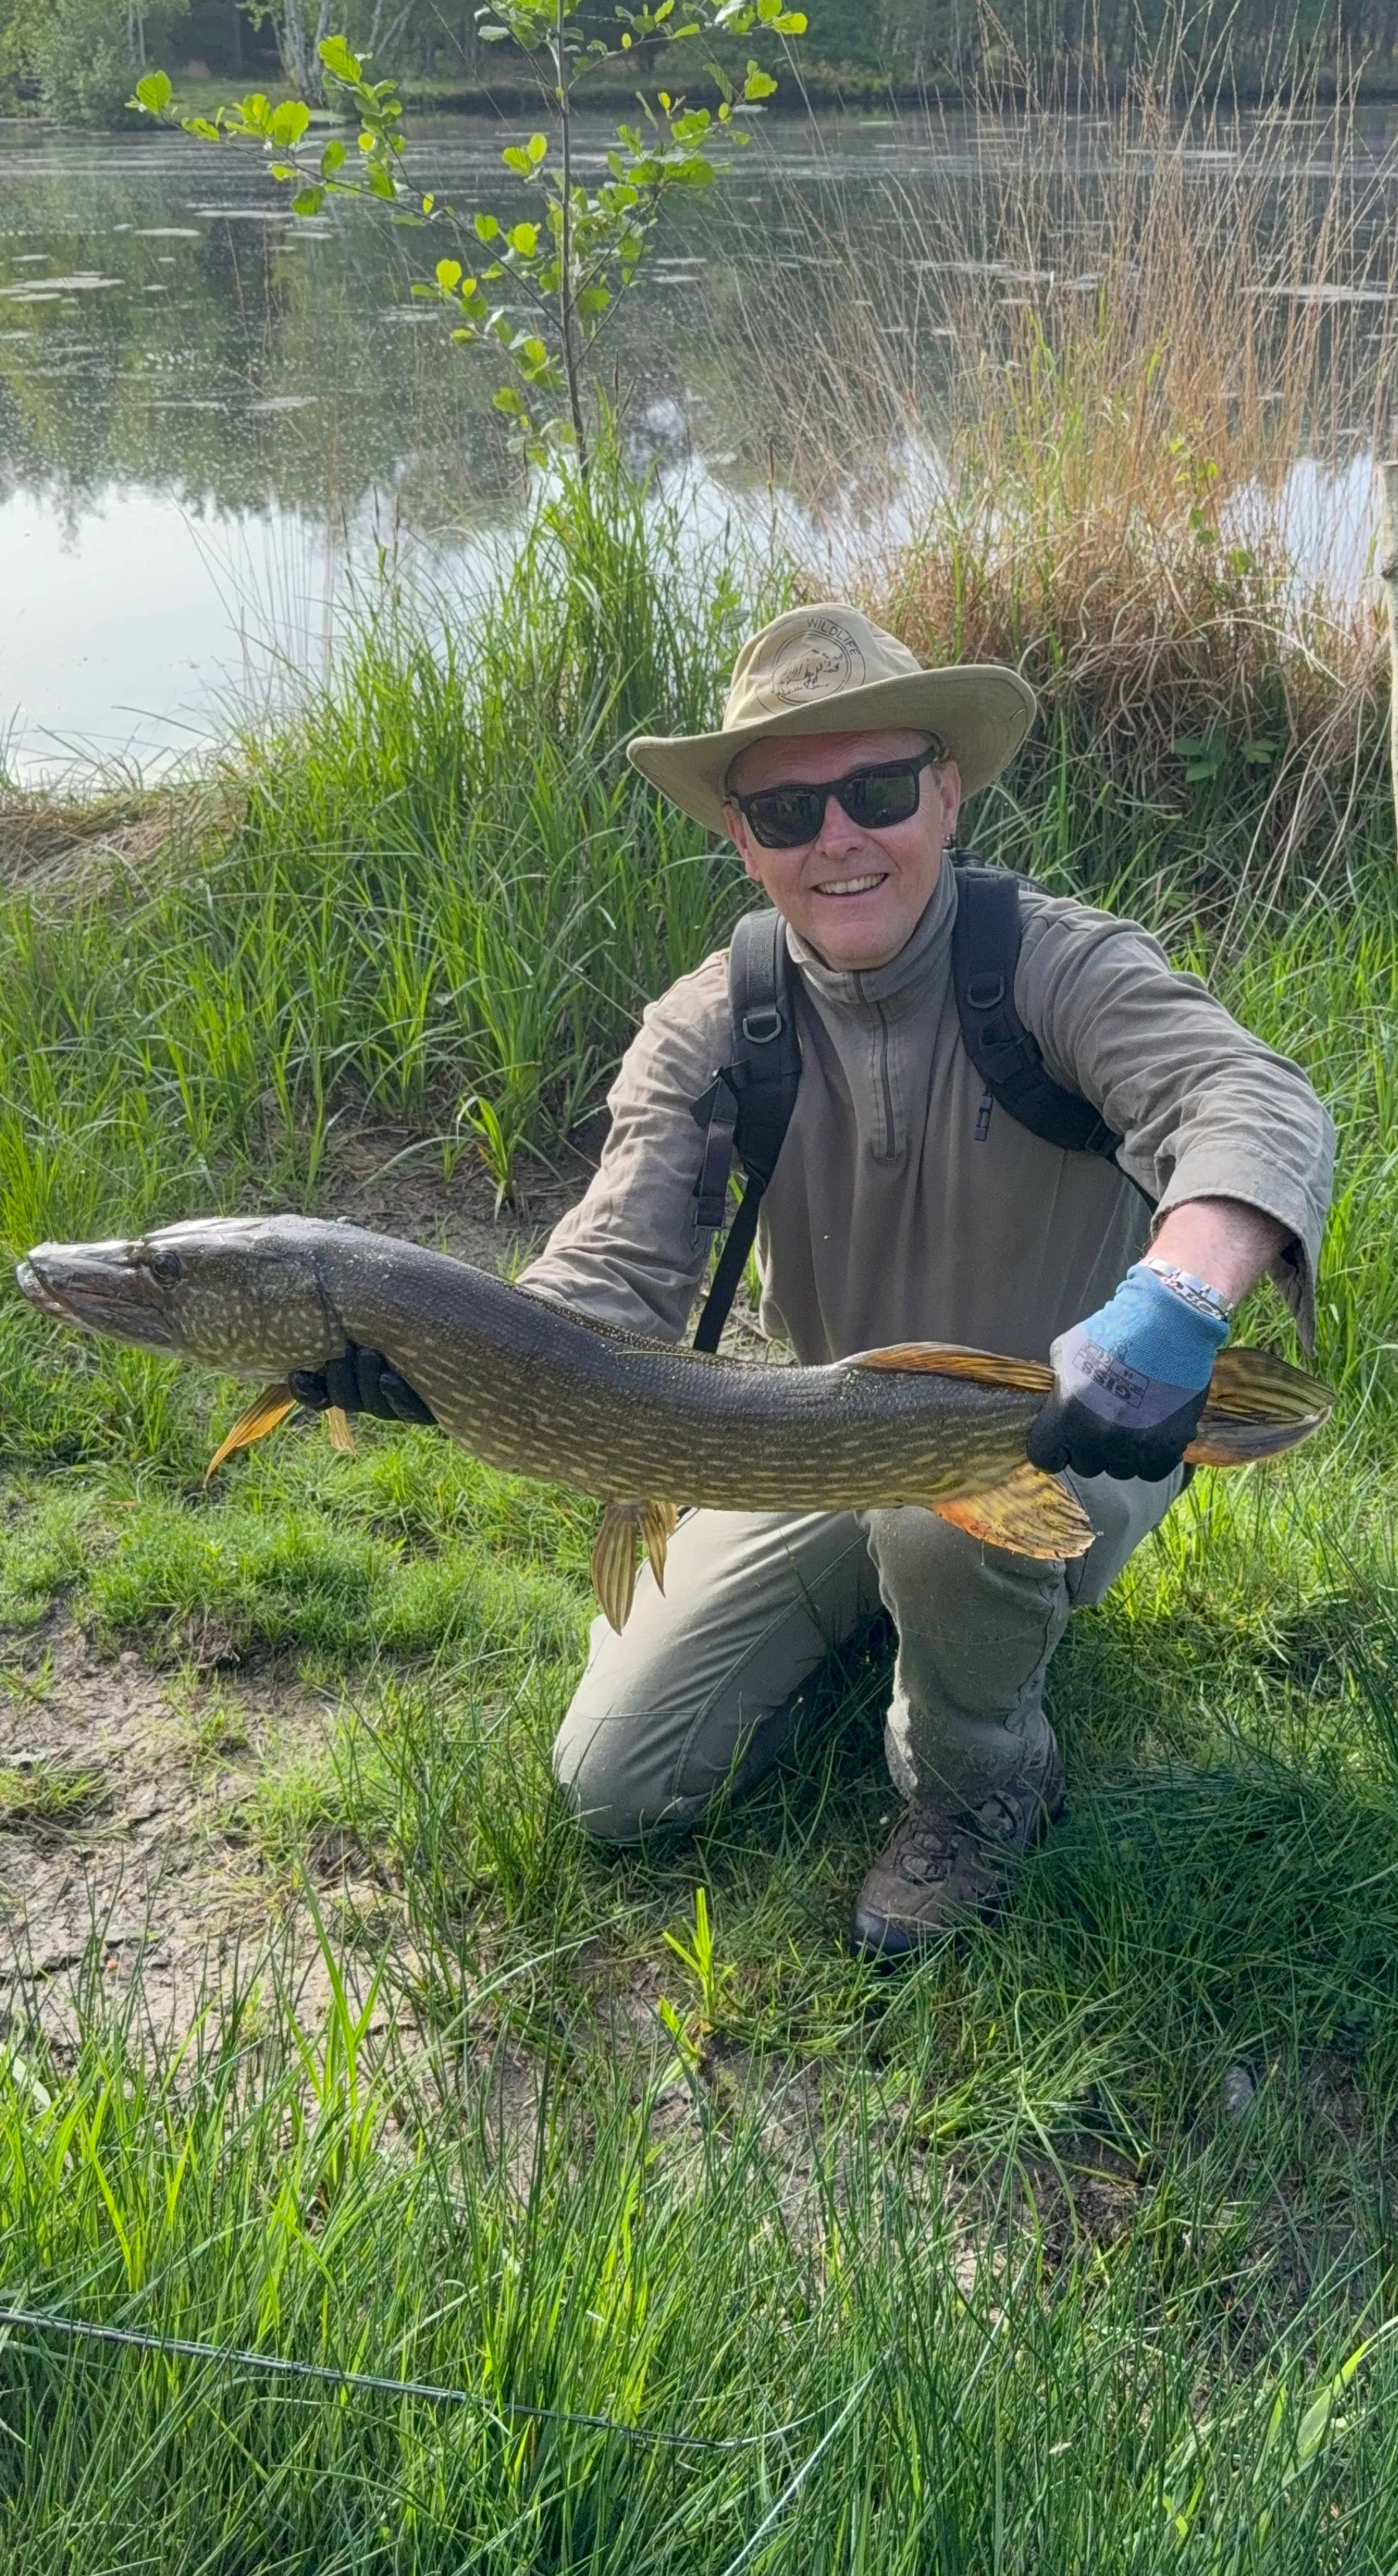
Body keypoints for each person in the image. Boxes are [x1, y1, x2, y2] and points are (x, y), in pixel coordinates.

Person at [304, 604, 1334, 1955]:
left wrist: (1173, 1306)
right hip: (816, 1439)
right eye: (789, 812)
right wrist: (444, 1358)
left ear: (947, 793)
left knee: (936, 1526)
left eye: (879, 791)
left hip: (1073, 1420)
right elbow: (613, 1271)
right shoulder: (712, 1021)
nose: (838, 838)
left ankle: (983, 1780)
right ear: (742, 839)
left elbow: (1252, 1099)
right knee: (614, 1781)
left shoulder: (1053, 966)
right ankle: (904, 1624)